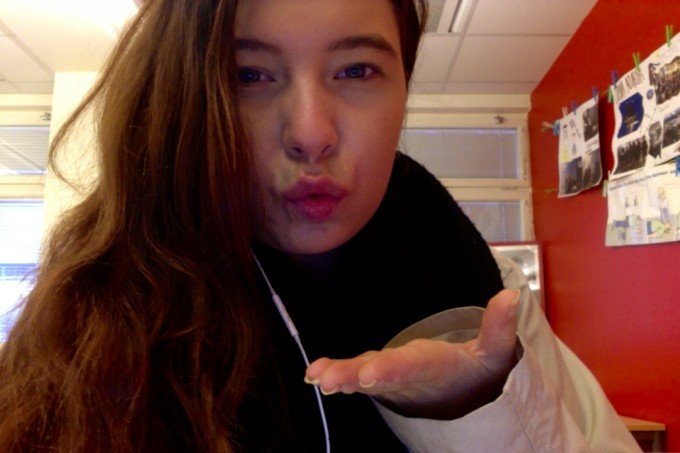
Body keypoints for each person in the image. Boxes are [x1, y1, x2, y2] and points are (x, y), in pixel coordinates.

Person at [0, 0, 641, 452]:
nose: (310, 133)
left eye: (356, 70)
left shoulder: (493, 301)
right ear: (185, 98)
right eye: (249, 75)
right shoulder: (91, 318)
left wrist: (473, 413)